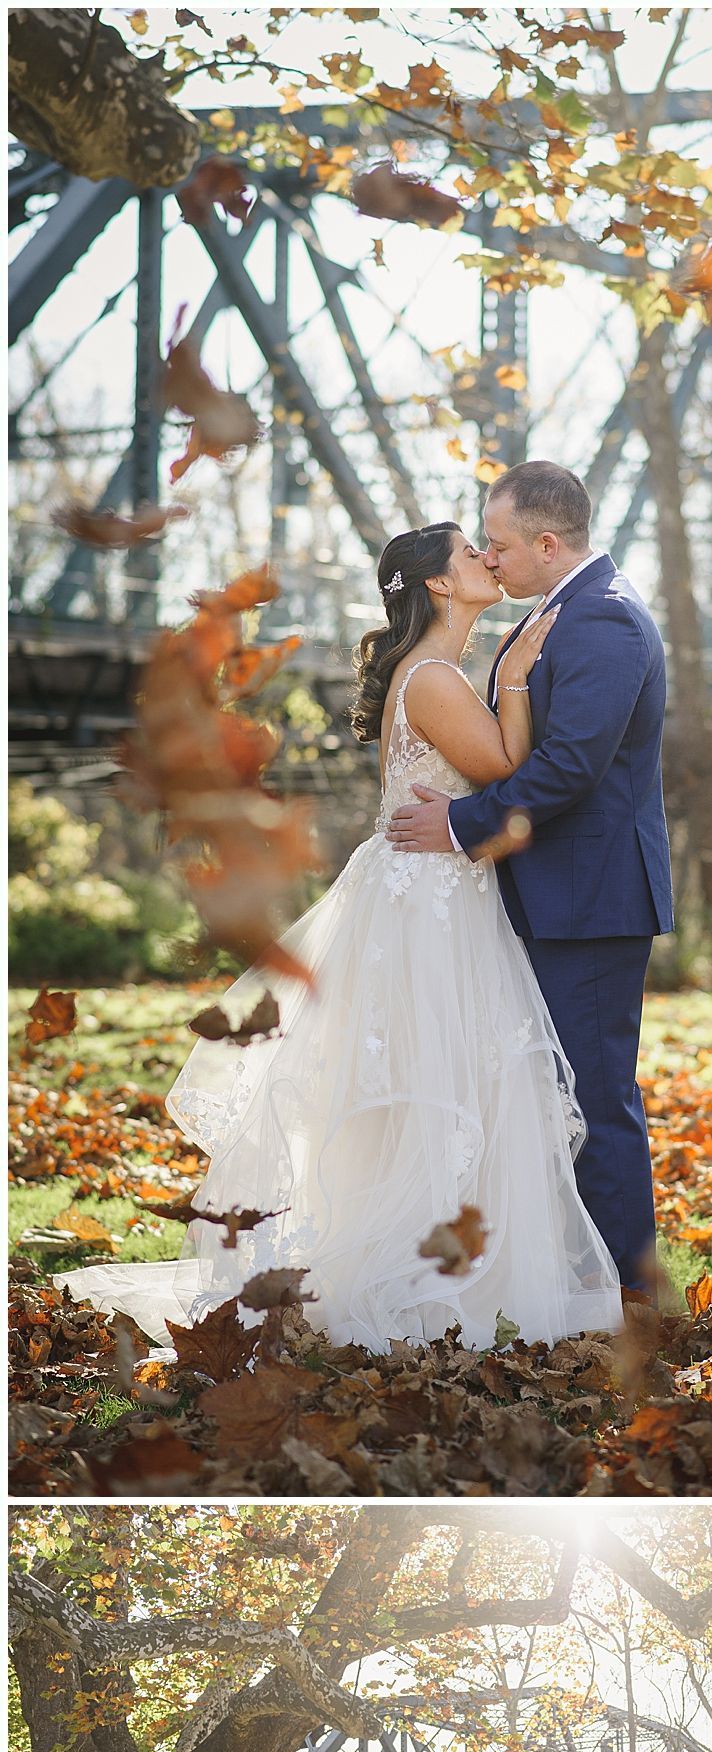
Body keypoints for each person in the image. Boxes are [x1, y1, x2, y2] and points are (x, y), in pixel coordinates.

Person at [54, 521, 622, 1355]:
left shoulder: (438, 671)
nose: (486, 559)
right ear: (436, 583)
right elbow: (504, 762)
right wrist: (523, 677)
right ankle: (410, 1274)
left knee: (450, 1074)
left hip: (438, 891)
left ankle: (445, 1265)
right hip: (426, 902)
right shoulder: (431, 676)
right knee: (433, 1077)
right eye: (471, 552)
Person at [386, 461, 673, 1292]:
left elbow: (569, 768)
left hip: (589, 901)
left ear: (548, 544)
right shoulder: (554, 615)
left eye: (501, 543)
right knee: (551, 1099)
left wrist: (458, 823)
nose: (492, 556)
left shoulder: (604, 622)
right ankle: (563, 1275)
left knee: (594, 1101)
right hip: (546, 897)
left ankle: (627, 1294)